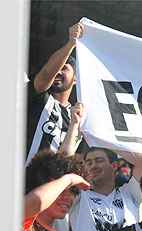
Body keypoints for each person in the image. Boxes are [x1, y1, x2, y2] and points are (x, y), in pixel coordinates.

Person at [27, 22, 84, 164]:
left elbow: (67, 158)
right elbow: (46, 74)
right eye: (56, 67)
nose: (58, 72)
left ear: (76, 78)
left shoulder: (78, 117)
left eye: (64, 68)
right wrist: (71, 43)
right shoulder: (38, 96)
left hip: (52, 185)